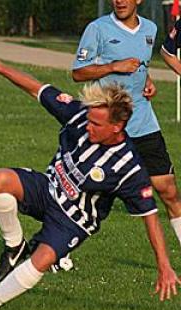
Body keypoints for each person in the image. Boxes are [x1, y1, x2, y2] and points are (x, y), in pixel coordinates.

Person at [0, 47, 180, 310]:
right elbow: (37, 89)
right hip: (49, 190)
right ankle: (15, 245)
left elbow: (150, 216)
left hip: (73, 220)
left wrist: (164, 265)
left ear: (116, 127)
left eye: (96, 124)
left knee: (42, 260)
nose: (88, 126)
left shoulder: (129, 168)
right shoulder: (80, 116)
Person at [72, 0, 181, 250]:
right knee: (87, 197)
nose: (119, 1)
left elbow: (141, 66)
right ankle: (57, 249)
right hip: (109, 129)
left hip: (143, 123)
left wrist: (147, 80)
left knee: (168, 189)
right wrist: (113, 67)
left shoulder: (150, 30)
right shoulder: (97, 29)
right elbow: (78, 72)